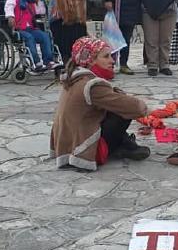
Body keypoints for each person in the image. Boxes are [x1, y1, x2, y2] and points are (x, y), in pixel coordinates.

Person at [51, 37, 150, 171]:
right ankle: (117, 145)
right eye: (106, 56)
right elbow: (134, 108)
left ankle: (121, 141)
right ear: (90, 60)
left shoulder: (74, 77)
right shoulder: (91, 85)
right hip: (81, 148)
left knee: (112, 105)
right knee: (121, 111)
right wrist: (143, 106)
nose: (112, 61)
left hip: (66, 145)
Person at [5, 0, 58, 71]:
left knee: (45, 36)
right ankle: (36, 62)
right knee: (29, 38)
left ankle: (48, 61)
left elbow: (41, 12)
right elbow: (9, 7)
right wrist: (10, 16)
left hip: (31, 28)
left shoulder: (30, 1)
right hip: (19, 29)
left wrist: (38, 1)